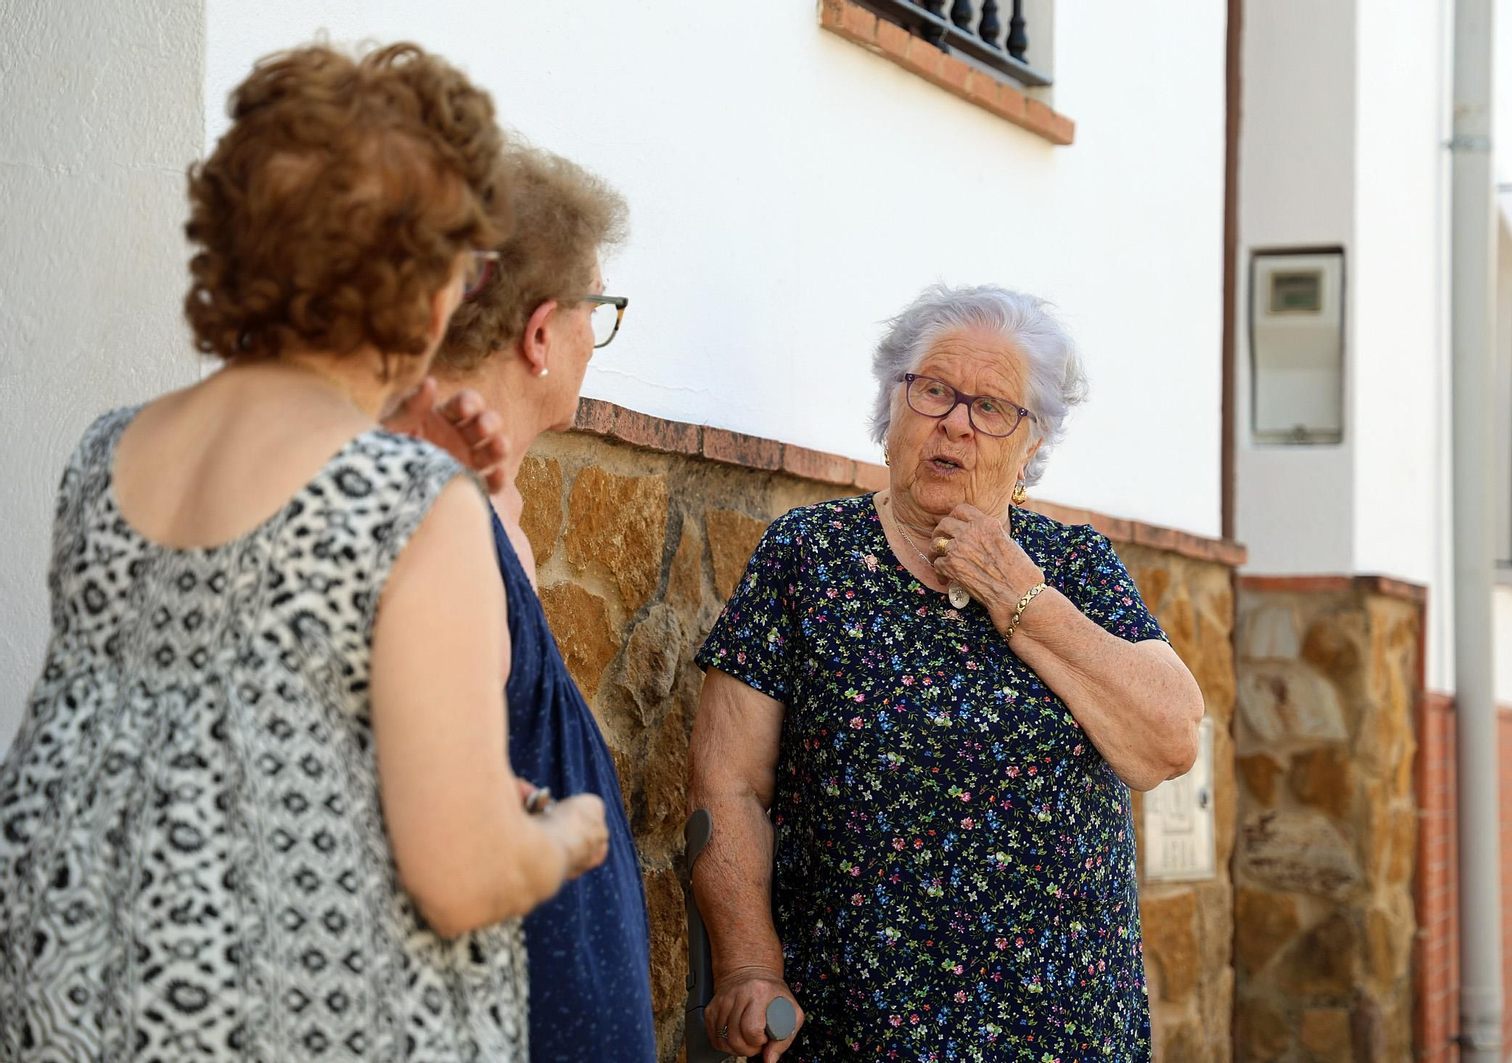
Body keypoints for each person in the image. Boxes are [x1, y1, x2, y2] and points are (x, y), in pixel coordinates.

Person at [0, 43, 609, 1060]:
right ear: (425, 288)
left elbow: (219, 720)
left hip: (80, 1000)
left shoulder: (106, 454)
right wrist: (563, 836)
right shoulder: (414, 504)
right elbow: (459, 877)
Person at [688, 285, 1207, 1062]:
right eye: (933, 390)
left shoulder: (1076, 568)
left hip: (1064, 1031)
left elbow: (1168, 740)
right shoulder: (810, 557)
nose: (956, 421)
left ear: (1030, 445)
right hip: (861, 1028)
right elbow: (726, 783)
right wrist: (749, 964)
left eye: (992, 407)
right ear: (890, 409)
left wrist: (1015, 592)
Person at [427, 143, 654, 1060]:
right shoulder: (442, 530)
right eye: (596, 311)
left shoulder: (482, 510)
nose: (593, 342)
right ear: (540, 332)